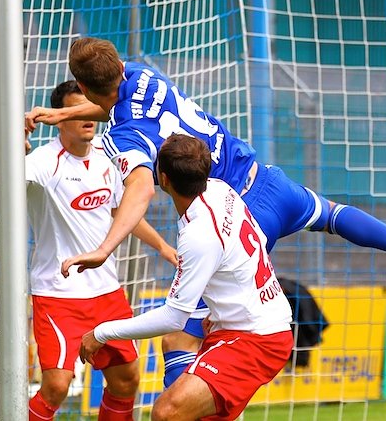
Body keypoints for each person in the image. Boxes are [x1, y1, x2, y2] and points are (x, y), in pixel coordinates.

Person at [24, 36, 386, 387]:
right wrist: (64, 113)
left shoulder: (124, 138)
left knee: (178, 338)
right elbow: (116, 101)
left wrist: (105, 247)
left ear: (81, 84)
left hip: (235, 216)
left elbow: (141, 186)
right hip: (269, 181)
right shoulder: (143, 75)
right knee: (333, 215)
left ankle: (189, 404)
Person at [78, 134, 293, 421]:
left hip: (255, 339)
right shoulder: (220, 189)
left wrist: (102, 332)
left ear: (163, 179)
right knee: (176, 342)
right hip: (243, 324)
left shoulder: (199, 234)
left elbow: (173, 316)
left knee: (167, 412)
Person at [23, 81, 175, 421]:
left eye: (87, 110)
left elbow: (125, 216)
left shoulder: (108, 160)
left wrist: (164, 246)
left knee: (126, 380)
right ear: (59, 119)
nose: (86, 118)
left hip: (107, 294)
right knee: (56, 387)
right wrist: (15, 149)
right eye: (75, 111)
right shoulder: (43, 162)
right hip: (57, 293)